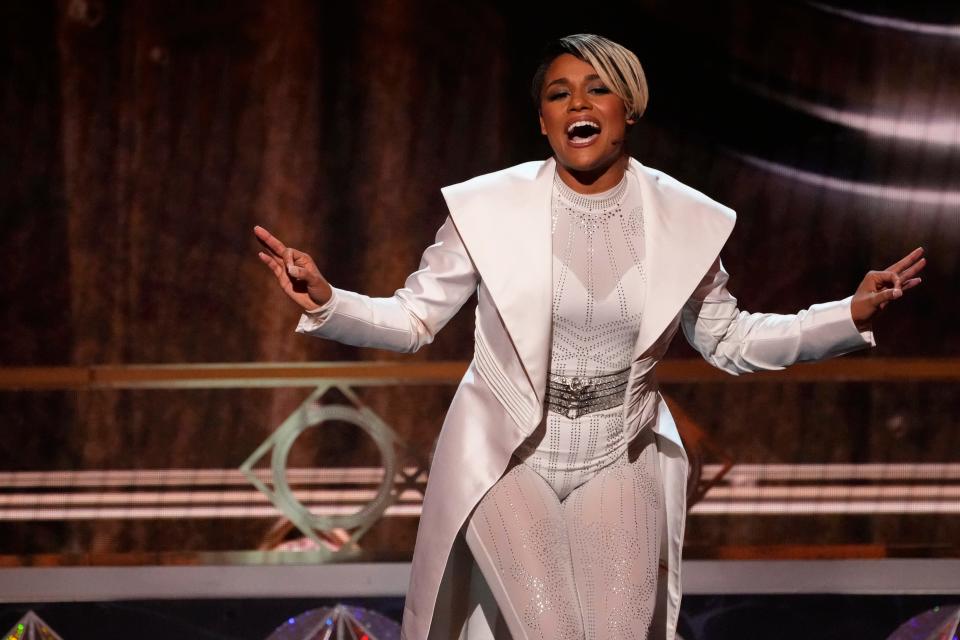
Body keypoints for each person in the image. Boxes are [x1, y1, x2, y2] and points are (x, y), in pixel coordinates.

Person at [255, 34, 924, 640]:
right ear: (543, 121)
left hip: (620, 455)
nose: (579, 101)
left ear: (628, 107)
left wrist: (847, 316)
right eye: (559, 92)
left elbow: (730, 340)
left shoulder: (683, 219)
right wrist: (329, 300)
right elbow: (413, 319)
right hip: (506, 460)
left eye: (597, 87)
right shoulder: (487, 210)